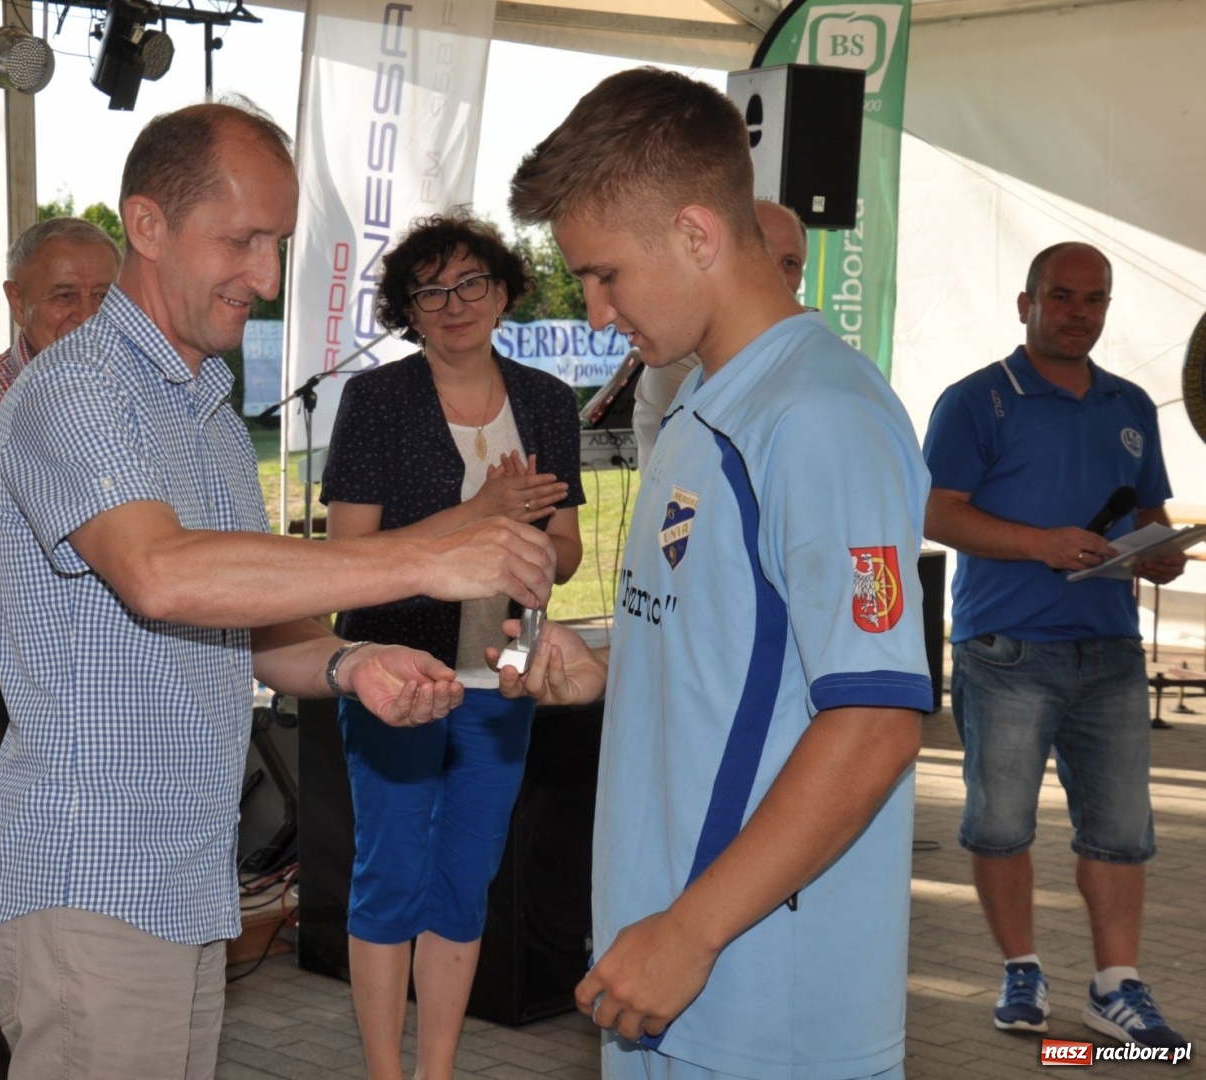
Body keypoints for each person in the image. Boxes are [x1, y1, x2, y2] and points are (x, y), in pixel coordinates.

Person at [0, 99, 557, 1080]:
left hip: (183, 879)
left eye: (278, 243)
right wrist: (419, 558)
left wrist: (350, 659)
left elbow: (248, 623)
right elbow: (160, 574)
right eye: (239, 240)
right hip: (92, 882)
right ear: (147, 226)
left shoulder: (201, 408)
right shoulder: (80, 390)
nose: (266, 276)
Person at [502, 69, 932, 1079]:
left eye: (606, 275)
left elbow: (874, 722)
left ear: (697, 235)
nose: (599, 312)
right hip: (666, 975)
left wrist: (693, 929)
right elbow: (745, 649)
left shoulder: (819, 418)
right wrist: (604, 665)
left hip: (762, 998)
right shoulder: (701, 406)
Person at [321, 212, 585, 1080]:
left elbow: (570, 547)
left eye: (471, 283)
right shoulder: (375, 401)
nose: (453, 303)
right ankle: (383, 1072)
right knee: (390, 872)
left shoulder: (545, 399)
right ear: (409, 310)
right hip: (395, 671)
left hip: (504, 675)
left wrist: (529, 541)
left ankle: (435, 1071)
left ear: (504, 290)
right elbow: (347, 558)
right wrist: (476, 518)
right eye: (428, 291)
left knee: (465, 879)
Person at [922, 241, 1189, 1049]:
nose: (1078, 314)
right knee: (1000, 828)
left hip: (1108, 652)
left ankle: (1117, 987)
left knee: (1119, 833)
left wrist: (1161, 551)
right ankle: (1020, 968)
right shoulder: (975, 400)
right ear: (1025, 303)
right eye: (1062, 297)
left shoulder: (1131, 403)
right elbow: (935, 514)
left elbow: (1149, 518)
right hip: (1003, 651)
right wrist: (1040, 544)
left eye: (1094, 300)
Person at [0, 216, 121, 1080]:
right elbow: (28, 558)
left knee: (109, 921)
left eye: (104, 296)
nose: (84, 315)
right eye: (63, 297)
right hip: (9, 702)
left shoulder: (138, 397)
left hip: (118, 698)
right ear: (14, 302)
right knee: (2, 923)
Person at [631, 199, 808, 470]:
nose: (778, 276)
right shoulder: (679, 354)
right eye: (763, 256)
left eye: (790, 263)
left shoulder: (814, 351)